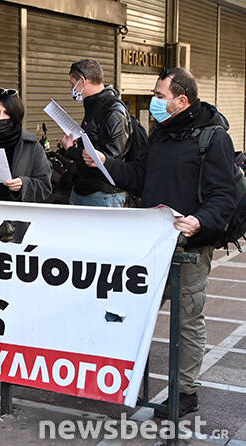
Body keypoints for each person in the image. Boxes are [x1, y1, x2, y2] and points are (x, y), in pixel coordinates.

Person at [83, 67, 237, 417]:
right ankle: (129, 382)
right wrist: (106, 162)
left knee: (187, 320)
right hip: (151, 245)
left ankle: (185, 393)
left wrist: (200, 221)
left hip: (188, 248)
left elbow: (223, 196)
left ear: (181, 100)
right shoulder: (161, 134)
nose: (152, 101)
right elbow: (140, 178)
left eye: (158, 96)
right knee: (133, 314)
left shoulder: (213, 138)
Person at [61, 59, 132, 207]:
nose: (72, 89)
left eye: (72, 84)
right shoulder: (95, 105)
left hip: (103, 194)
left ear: (82, 81)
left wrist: (71, 150)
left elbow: (109, 157)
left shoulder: (113, 109)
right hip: (85, 189)